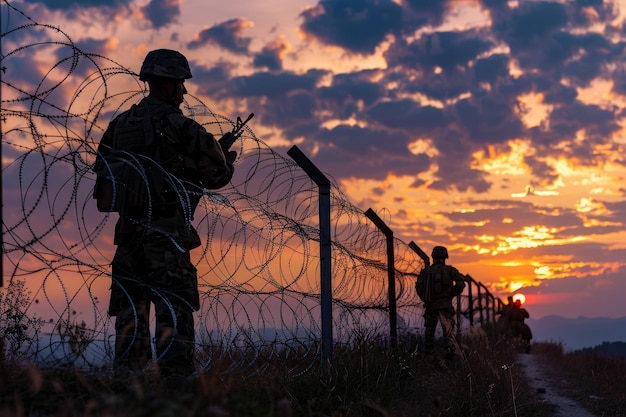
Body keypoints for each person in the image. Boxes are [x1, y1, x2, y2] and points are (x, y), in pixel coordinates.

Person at [93, 49, 237, 377]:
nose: (184, 92)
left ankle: (128, 393)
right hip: (168, 238)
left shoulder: (119, 125)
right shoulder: (184, 128)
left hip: (129, 237)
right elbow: (217, 177)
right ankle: (176, 395)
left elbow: (103, 169)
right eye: (181, 84)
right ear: (170, 84)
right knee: (174, 319)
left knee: (131, 321)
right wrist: (224, 162)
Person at [416, 246, 466, 360]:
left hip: (430, 306)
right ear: (445, 257)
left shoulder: (426, 271)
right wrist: (451, 294)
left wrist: (426, 298)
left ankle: (430, 361)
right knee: (448, 336)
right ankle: (451, 362)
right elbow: (460, 284)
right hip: (445, 307)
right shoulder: (450, 270)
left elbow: (419, 287)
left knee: (429, 337)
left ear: (433, 257)